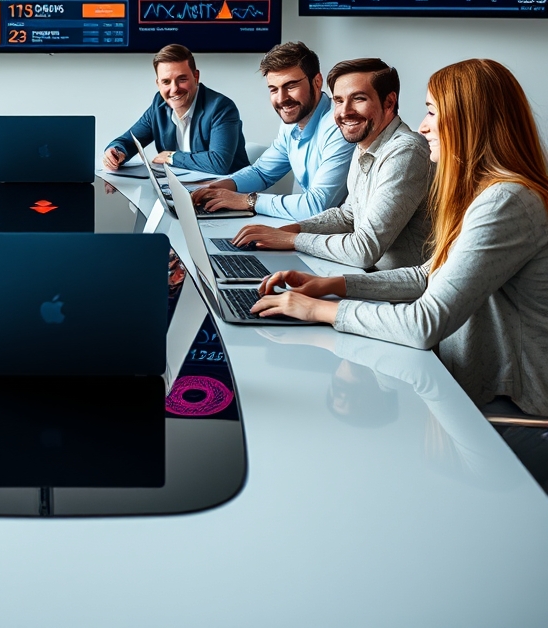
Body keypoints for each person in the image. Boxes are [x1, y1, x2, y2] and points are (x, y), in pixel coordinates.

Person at [252, 59, 548, 417]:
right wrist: (328, 285)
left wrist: (318, 310)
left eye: (432, 113)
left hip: (513, 408)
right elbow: (426, 274)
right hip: (469, 384)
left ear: (471, 121)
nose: (423, 127)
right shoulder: (485, 193)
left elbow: (425, 323)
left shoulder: (506, 201)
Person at [231, 58, 431, 269]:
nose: (345, 111)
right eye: (338, 100)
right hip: (364, 273)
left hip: (394, 290)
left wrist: (292, 240)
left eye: (359, 99)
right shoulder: (365, 142)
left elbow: (364, 250)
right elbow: (347, 216)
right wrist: (291, 230)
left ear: (389, 102)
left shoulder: (406, 151)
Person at [193, 41, 354, 219]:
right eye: (274, 89)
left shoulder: (339, 125)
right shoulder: (291, 122)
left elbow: (316, 206)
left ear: (317, 82)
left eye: (290, 86)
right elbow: (262, 172)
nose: (282, 98)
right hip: (310, 226)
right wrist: (219, 186)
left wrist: (248, 201)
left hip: (337, 235)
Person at [103, 43, 249, 174]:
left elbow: (219, 163)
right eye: (166, 82)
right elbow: (129, 141)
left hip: (228, 193)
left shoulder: (221, 107)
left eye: (182, 79)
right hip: (180, 191)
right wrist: (116, 152)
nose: (174, 89)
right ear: (158, 84)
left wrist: (171, 157)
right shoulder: (159, 105)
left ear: (196, 76)